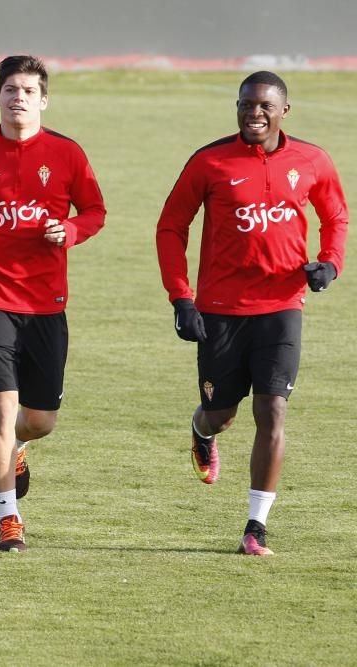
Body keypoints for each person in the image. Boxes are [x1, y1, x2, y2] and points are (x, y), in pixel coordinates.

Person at [156, 71, 348, 556]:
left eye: (264, 105)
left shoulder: (311, 160)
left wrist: (330, 263)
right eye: (246, 104)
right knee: (221, 414)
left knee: (273, 410)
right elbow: (170, 227)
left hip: (282, 307)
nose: (254, 113)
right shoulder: (210, 161)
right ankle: (201, 434)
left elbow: (336, 216)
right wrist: (181, 297)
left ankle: (255, 526)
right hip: (220, 310)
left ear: (285, 111)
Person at [0, 55, 106, 552]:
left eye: (29, 90)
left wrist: (70, 230)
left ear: (44, 100)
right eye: (10, 89)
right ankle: (8, 519)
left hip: (46, 303)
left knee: (37, 420)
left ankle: (21, 451)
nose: (18, 98)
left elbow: (95, 210)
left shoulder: (67, 154)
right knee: (0, 413)